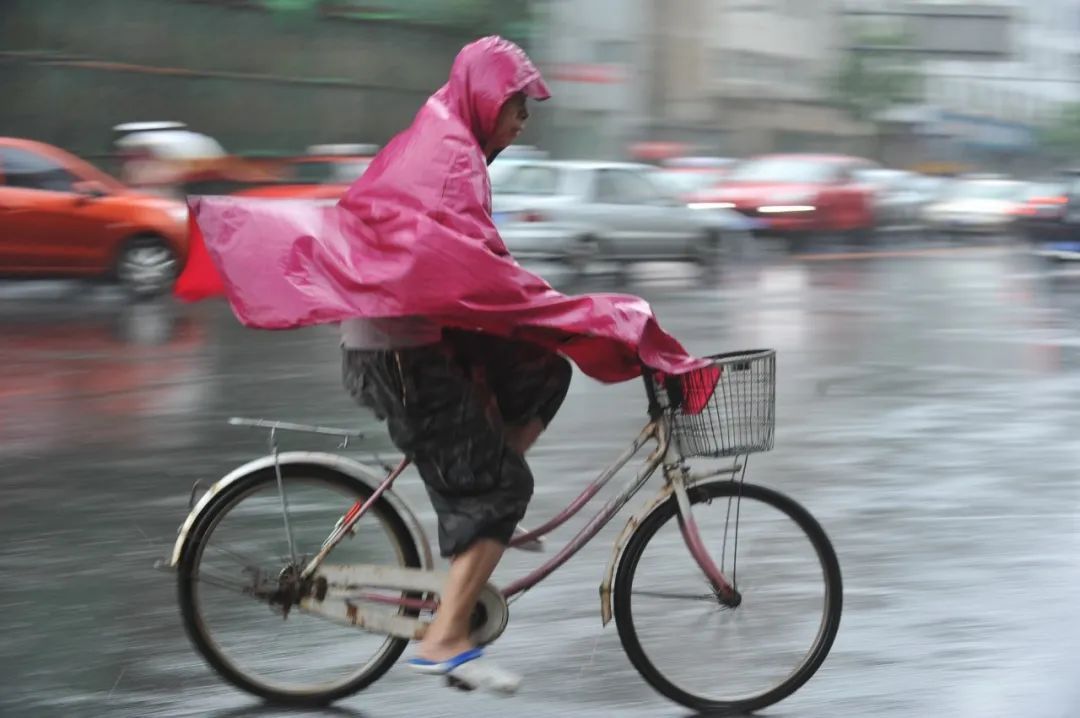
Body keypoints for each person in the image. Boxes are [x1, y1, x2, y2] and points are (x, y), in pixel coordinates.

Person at [340, 38, 569, 691]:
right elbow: (479, 263)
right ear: (487, 99)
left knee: (546, 369)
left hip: (412, 335)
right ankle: (444, 637)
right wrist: (559, 307)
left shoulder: (448, 139)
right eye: (516, 105)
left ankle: (483, 510)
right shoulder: (451, 158)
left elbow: (472, 259)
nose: (523, 119)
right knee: (504, 488)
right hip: (400, 352)